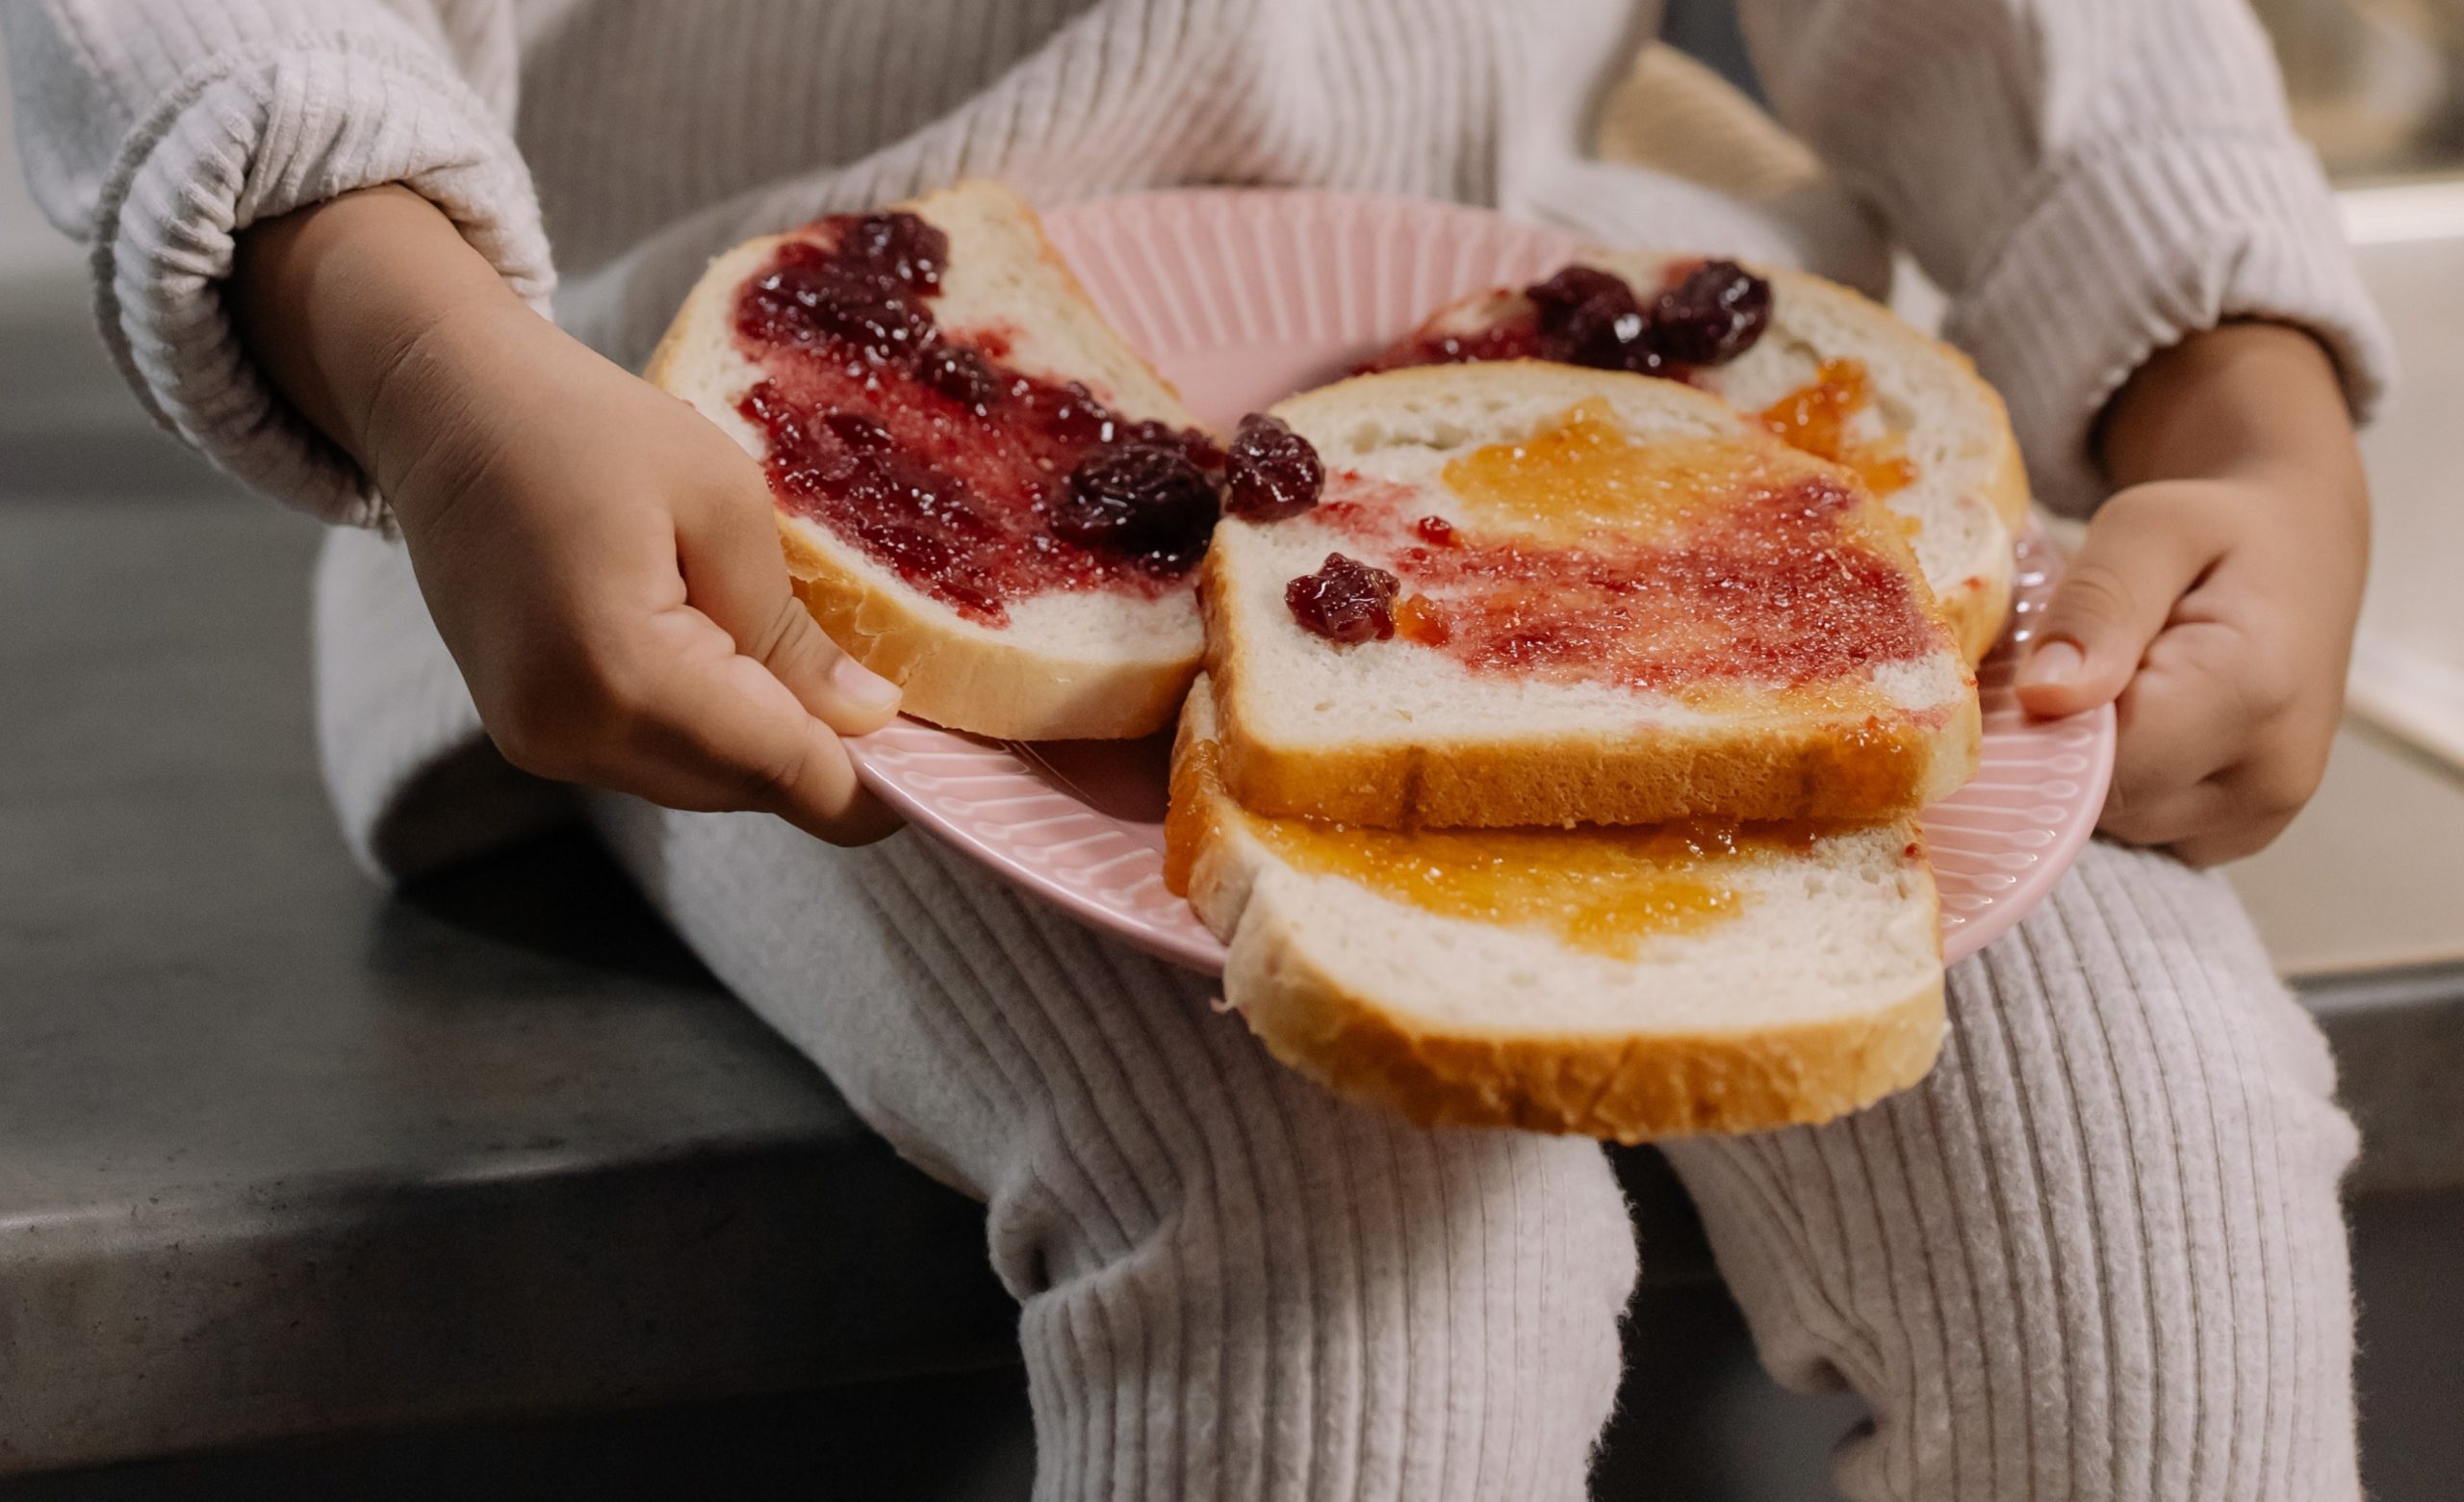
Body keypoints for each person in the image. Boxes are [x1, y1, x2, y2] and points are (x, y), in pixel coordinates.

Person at [3, 1, 2385, 1496]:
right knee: (1340, 1257)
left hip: (1575, 395)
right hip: (705, 465)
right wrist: (426, 363)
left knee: (2153, 1157)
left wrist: (2240, 403)